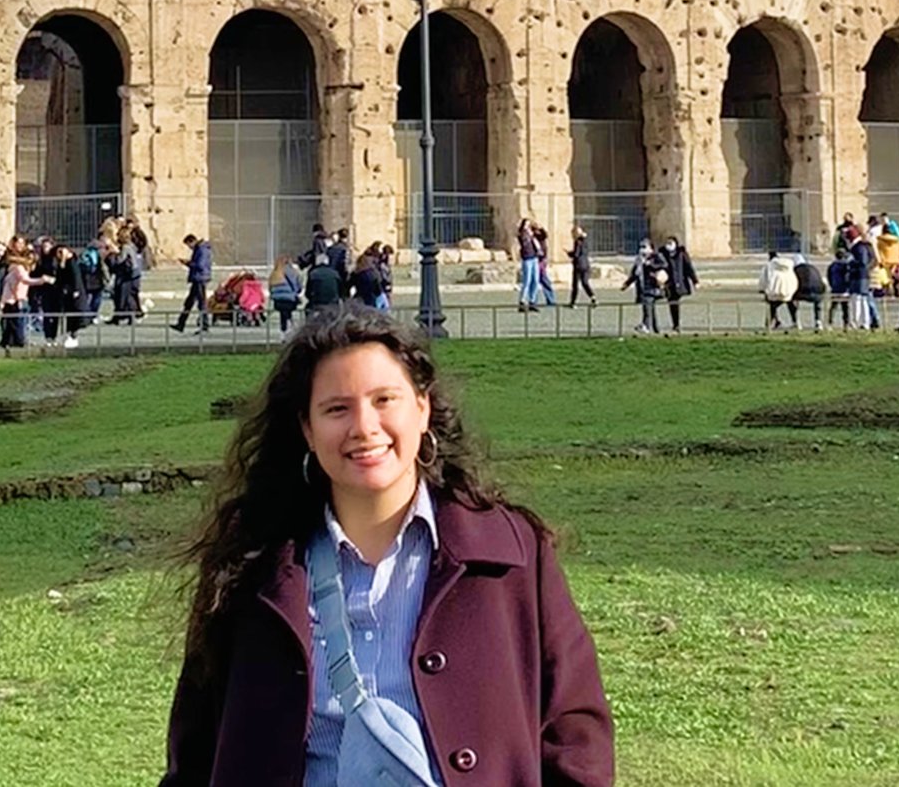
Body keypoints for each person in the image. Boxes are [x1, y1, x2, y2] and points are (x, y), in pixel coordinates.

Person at [161, 310, 614, 786]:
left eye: (384, 400)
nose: (364, 427)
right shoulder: (251, 569)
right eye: (337, 409)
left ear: (422, 409)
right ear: (307, 430)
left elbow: (575, 733)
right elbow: (195, 750)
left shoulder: (511, 556)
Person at [0, 250, 51, 348]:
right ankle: (20, 341)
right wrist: (42, 280)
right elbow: (25, 281)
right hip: (13, 300)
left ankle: (6, 342)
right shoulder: (19, 269)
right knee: (17, 322)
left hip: (18, 298)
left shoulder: (20, 269)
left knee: (13, 322)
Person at [623, 239, 666, 334]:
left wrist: (650, 265)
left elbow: (664, 265)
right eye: (641, 247)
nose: (642, 249)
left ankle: (645, 326)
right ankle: (656, 328)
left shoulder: (656, 256)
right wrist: (627, 283)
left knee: (647, 308)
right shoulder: (639, 259)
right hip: (642, 287)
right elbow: (635, 273)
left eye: (644, 247)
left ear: (651, 248)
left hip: (652, 286)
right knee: (650, 309)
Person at [174, 234, 212, 334]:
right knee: (189, 302)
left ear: (192, 241)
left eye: (188, 245)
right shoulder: (199, 249)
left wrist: (188, 263)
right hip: (197, 278)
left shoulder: (202, 250)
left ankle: (204, 325)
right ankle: (180, 324)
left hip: (200, 278)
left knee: (201, 303)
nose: (189, 247)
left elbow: (200, 265)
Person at [659, 236, 698, 332]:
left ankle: (676, 324)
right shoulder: (663, 254)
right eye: (667, 243)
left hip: (680, 282)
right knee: (672, 303)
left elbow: (688, 267)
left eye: (671, 243)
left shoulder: (681, 254)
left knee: (675, 302)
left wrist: (695, 281)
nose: (669, 245)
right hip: (668, 283)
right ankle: (675, 324)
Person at [759, 251, 799, 330]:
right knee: (791, 305)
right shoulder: (788, 265)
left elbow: (764, 279)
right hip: (788, 292)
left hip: (775, 291)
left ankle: (769, 324)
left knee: (772, 306)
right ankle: (795, 322)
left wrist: (762, 289)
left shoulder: (768, 266)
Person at [268, 255, 303, 335]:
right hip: (289, 299)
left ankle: (283, 330)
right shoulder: (292, 272)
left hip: (278, 301)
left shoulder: (274, 273)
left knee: (283, 315)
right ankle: (289, 328)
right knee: (288, 313)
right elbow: (298, 286)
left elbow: (270, 289)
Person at [792, 255, 826, 331]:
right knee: (817, 302)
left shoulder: (796, 270)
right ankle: (818, 321)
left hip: (802, 293)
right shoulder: (813, 268)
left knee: (791, 301)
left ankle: (796, 321)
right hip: (817, 294)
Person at [305, 252, 344, 317]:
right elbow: (341, 291)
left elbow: (308, 292)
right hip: (333, 303)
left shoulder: (313, 274)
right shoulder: (335, 274)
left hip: (317, 303)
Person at [567, 225, 596, 309]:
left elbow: (576, 254)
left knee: (575, 285)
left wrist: (570, 254)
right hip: (586, 264)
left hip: (578, 265)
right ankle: (593, 297)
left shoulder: (577, 242)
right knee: (585, 283)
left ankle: (573, 302)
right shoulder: (585, 241)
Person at [516, 218, 541, 312]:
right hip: (527, 259)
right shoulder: (522, 235)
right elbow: (524, 242)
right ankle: (522, 301)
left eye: (529, 225)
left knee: (535, 280)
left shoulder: (533, 234)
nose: (527, 227)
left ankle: (532, 301)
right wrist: (528, 234)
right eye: (526, 225)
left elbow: (543, 236)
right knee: (527, 280)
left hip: (534, 257)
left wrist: (537, 228)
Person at [826, 249, 851, 329]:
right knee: (845, 307)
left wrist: (832, 285)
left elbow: (828, 276)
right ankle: (846, 323)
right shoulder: (846, 265)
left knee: (833, 307)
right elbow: (848, 276)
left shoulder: (832, 265)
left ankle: (830, 323)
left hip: (835, 288)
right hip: (844, 289)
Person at [533, 226, 557, 307]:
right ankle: (534, 300)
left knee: (544, 281)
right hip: (537, 262)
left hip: (540, 263)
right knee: (536, 282)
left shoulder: (541, 240)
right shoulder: (534, 240)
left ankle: (550, 299)